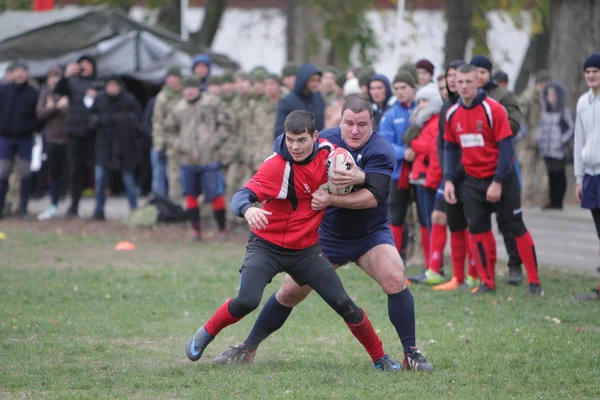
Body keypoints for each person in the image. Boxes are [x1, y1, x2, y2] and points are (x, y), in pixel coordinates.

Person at [212, 97, 433, 372]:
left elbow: (373, 197)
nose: (354, 130)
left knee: (395, 277)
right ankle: (248, 347)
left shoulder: (381, 150)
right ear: (339, 121)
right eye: (349, 123)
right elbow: (286, 144)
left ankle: (411, 353)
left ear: (371, 124)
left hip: (369, 235)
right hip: (326, 237)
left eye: (361, 124)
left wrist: (340, 192)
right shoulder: (324, 142)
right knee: (289, 293)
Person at [443, 64, 543, 296]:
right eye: (460, 82)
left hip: (502, 178)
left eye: (469, 81)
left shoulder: (494, 109)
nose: (465, 86)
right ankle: (487, 282)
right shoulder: (452, 113)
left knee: (515, 225)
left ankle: (534, 282)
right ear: (455, 84)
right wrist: (448, 179)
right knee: (477, 228)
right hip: (472, 181)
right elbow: (450, 147)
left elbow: (507, 148)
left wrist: (498, 181)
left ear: (478, 81)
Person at [470, 55, 524, 285]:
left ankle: (515, 267)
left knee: (508, 222)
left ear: (489, 74)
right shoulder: (465, 98)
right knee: (479, 223)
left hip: (501, 165)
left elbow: (514, 125)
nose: (479, 76)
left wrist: (491, 116)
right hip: (475, 170)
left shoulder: (503, 96)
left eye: (483, 72)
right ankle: (486, 271)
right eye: (475, 72)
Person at [430, 60, 480, 291]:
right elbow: (444, 144)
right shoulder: (447, 109)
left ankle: (476, 274)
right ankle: (457, 277)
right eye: (450, 77)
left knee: (474, 224)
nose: (452, 81)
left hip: (472, 175)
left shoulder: (478, 106)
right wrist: (447, 169)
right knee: (452, 222)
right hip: (450, 175)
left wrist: (458, 168)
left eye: (456, 77)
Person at [165, 76, 233, 240]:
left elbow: (226, 124)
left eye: (193, 88)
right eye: (187, 88)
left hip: (209, 159)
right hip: (188, 160)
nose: (190, 91)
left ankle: (222, 230)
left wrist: (215, 141)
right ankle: (196, 231)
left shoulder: (212, 103)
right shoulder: (178, 108)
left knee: (216, 195)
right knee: (190, 195)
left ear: (199, 89)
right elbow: (168, 131)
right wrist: (179, 145)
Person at [88, 76, 142, 220]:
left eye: (115, 86)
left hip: (124, 147)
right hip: (104, 147)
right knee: (100, 180)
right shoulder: (99, 100)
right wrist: (104, 120)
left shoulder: (129, 100)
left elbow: (137, 121)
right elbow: (91, 120)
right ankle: (99, 211)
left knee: (128, 180)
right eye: (109, 86)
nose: (112, 89)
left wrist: (119, 119)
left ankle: (135, 210)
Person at [54, 55, 100, 218]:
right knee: (75, 169)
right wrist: (65, 75)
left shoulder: (99, 84)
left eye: (88, 64)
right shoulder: (72, 82)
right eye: (82, 65)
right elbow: (58, 91)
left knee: (97, 169)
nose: (85, 67)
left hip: (94, 133)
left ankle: (99, 207)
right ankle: (74, 205)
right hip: (74, 132)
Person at [574, 53, 600, 301]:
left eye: (596, 71)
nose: (591, 75)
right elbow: (579, 140)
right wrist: (579, 177)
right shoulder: (583, 102)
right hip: (591, 176)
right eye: (588, 71)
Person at [0, 62, 39, 219]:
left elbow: (39, 115)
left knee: (25, 173)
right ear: (12, 73)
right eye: (18, 71)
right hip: (5, 137)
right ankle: (1, 207)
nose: (20, 74)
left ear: (27, 74)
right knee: (3, 173)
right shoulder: (4, 90)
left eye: (23, 71)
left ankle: (24, 209)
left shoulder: (33, 93)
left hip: (25, 138)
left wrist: (31, 128)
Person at [36, 66, 69, 220]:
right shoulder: (45, 94)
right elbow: (40, 114)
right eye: (52, 76)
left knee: (69, 172)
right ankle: (53, 204)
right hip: (51, 138)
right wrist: (56, 108)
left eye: (58, 76)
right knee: (53, 173)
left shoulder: (68, 94)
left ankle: (70, 206)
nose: (55, 79)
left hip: (68, 138)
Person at [537, 81, 574, 210]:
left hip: (559, 150)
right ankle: (552, 201)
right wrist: (539, 140)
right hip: (547, 150)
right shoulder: (544, 112)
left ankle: (559, 202)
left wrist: (562, 141)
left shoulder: (564, 111)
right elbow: (541, 128)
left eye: (553, 95)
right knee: (551, 174)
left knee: (559, 174)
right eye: (548, 95)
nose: (551, 98)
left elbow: (571, 128)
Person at [152, 66, 183, 198]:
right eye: (170, 78)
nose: (173, 81)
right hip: (169, 142)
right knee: (171, 176)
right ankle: (173, 205)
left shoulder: (185, 94)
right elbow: (157, 121)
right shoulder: (163, 97)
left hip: (187, 141)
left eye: (175, 77)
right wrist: (159, 144)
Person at [273, 63, 325, 139]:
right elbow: (279, 131)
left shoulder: (318, 98)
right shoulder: (287, 102)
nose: (316, 84)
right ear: (304, 80)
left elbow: (321, 125)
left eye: (318, 80)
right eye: (313, 80)